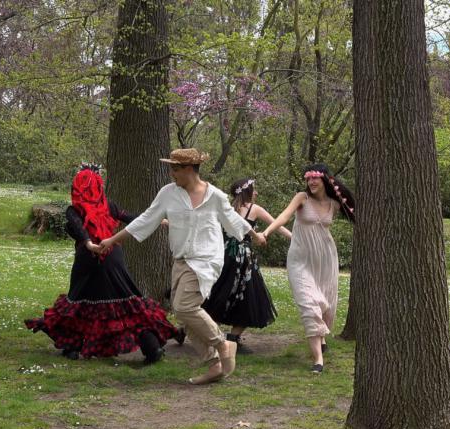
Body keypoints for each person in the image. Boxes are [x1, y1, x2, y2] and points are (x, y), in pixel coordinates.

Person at [99, 148, 267, 385]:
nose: (171, 174)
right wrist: (113, 240)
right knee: (182, 313)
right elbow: (147, 219)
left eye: (175, 169)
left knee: (184, 306)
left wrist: (254, 234)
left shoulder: (215, 196)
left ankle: (222, 344)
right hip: (181, 259)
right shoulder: (168, 193)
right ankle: (214, 364)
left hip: (207, 259)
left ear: (189, 169)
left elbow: (232, 219)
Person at [25, 163, 181, 364]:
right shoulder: (109, 206)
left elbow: (80, 230)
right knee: (128, 302)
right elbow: (132, 219)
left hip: (88, 259)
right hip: (112, 256)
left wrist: (90, 245)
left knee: (78, 300)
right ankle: (151, 348)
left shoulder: (73, 210)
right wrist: (158, 220)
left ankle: (71, 347)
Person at [261, 164, 355, 373]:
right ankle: (318, 360)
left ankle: (320, 339)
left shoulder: (334, 204)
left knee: (325, 303)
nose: (311, 182)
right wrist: (266, 233)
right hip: (300, 259)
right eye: (309, 179)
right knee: (309, 303)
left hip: (326, 259)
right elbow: (284, 216)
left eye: (316, 179)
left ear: (325, 181)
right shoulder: (302, 197)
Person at [202, 178, 292, 353]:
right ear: (248, 192)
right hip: (243, 260)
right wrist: (295, 238)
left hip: (223, 256)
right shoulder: (254, 209)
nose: (256, 193)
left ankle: (199, 330)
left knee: (218, 294)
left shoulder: (226, 208)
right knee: (249, 297)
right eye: (254, 190)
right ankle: (232, 337)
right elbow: (277, 224)